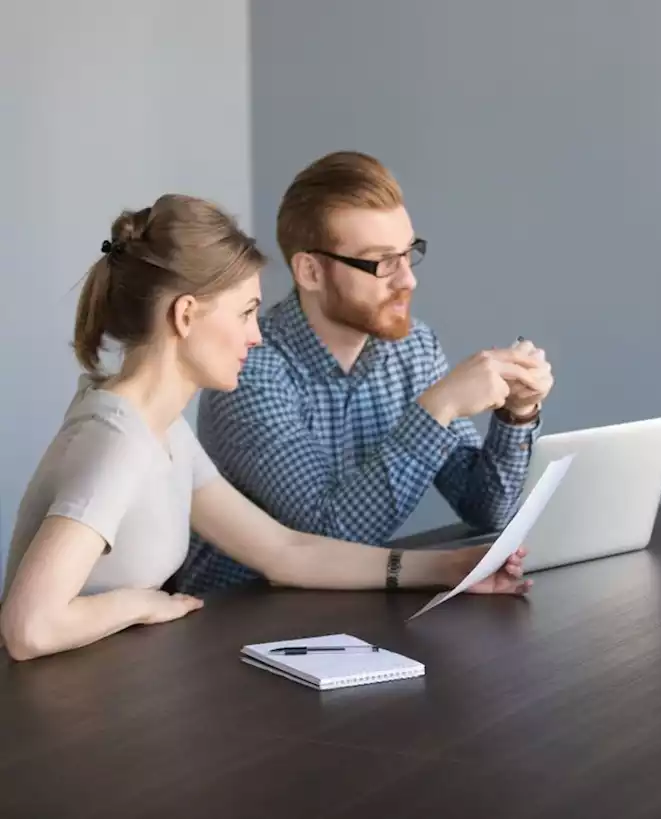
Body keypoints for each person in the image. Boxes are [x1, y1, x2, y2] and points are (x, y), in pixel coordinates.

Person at [0, 195, 530, 662]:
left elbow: (284, 551)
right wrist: (142, 603)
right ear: (186, 316)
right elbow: (28, 629)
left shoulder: (163, 434)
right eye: (246, 313)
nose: (257, 336)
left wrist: (451, 569)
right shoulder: (116, 443)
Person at [175, 151, 553, 594]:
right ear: (311, 271)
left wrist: (517, 414)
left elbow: (487, 511)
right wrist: (439, 407)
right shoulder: (250, 369)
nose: (407, 281)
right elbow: (329, 536)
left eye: (409, 254)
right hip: (230, 626)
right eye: (381, 263)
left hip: (356, 614)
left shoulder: (413, 348)